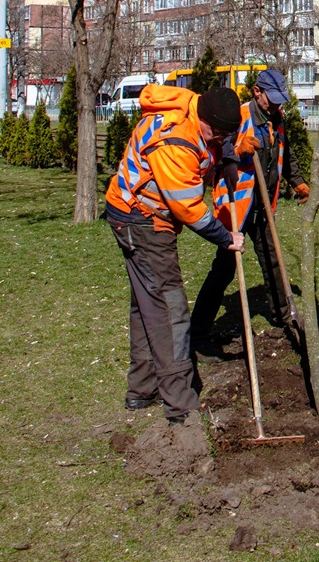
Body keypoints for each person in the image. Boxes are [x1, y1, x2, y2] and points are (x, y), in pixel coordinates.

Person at [105, 83, 245, 423]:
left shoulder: (199, 110)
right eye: (217, 135)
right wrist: (226, 237)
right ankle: (181, 405)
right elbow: (187, 208)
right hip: (141, 219)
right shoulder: (175, 140)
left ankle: (142, 389)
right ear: (206, 120)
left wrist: (226, 160)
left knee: (147, 305)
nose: (219, 140)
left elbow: (214, 142)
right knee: (171, 310)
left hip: (141, 215)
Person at [191, 68, 309, 351]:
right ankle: (197, 334)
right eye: (273, 98)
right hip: (238, 209)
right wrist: (237, 150)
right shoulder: (238, 116)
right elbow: (212, 154)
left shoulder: (276, 119)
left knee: (273, 261)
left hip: (264, 205)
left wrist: (298, 181)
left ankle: (284, 316)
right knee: (224, 270)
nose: (278, 104)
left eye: (281, 99)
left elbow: (286, 152)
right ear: (257, 92)